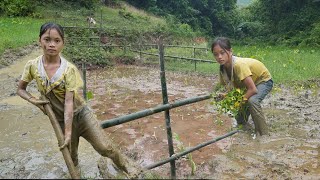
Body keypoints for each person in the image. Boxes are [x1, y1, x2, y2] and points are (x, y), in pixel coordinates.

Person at [16, 22, 140, 177]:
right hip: (59, 119)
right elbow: (20, 89)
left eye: (56, 40)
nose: (51, 44)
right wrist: (33, 100)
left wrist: (68, 132)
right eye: (47, 39)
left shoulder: (68, 70)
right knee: (71, 156)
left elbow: (69, 102)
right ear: (39, 40)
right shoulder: (33, 66)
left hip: (81, 114)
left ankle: (125, 165)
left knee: (105, 147)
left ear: (63, 44)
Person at [211, 37, 273, 136]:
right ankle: (244, 128)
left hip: (262, 80)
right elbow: (232, 90)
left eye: (222, 53)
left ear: (230, 51)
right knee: (239, 119)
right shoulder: (222, 69)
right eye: (216, 54)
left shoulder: (238, 65)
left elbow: (253, 90)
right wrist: (225, 95)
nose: (219, 57)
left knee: (252, 100)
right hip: (248, 84)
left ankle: (263, 134)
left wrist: (239, 102)